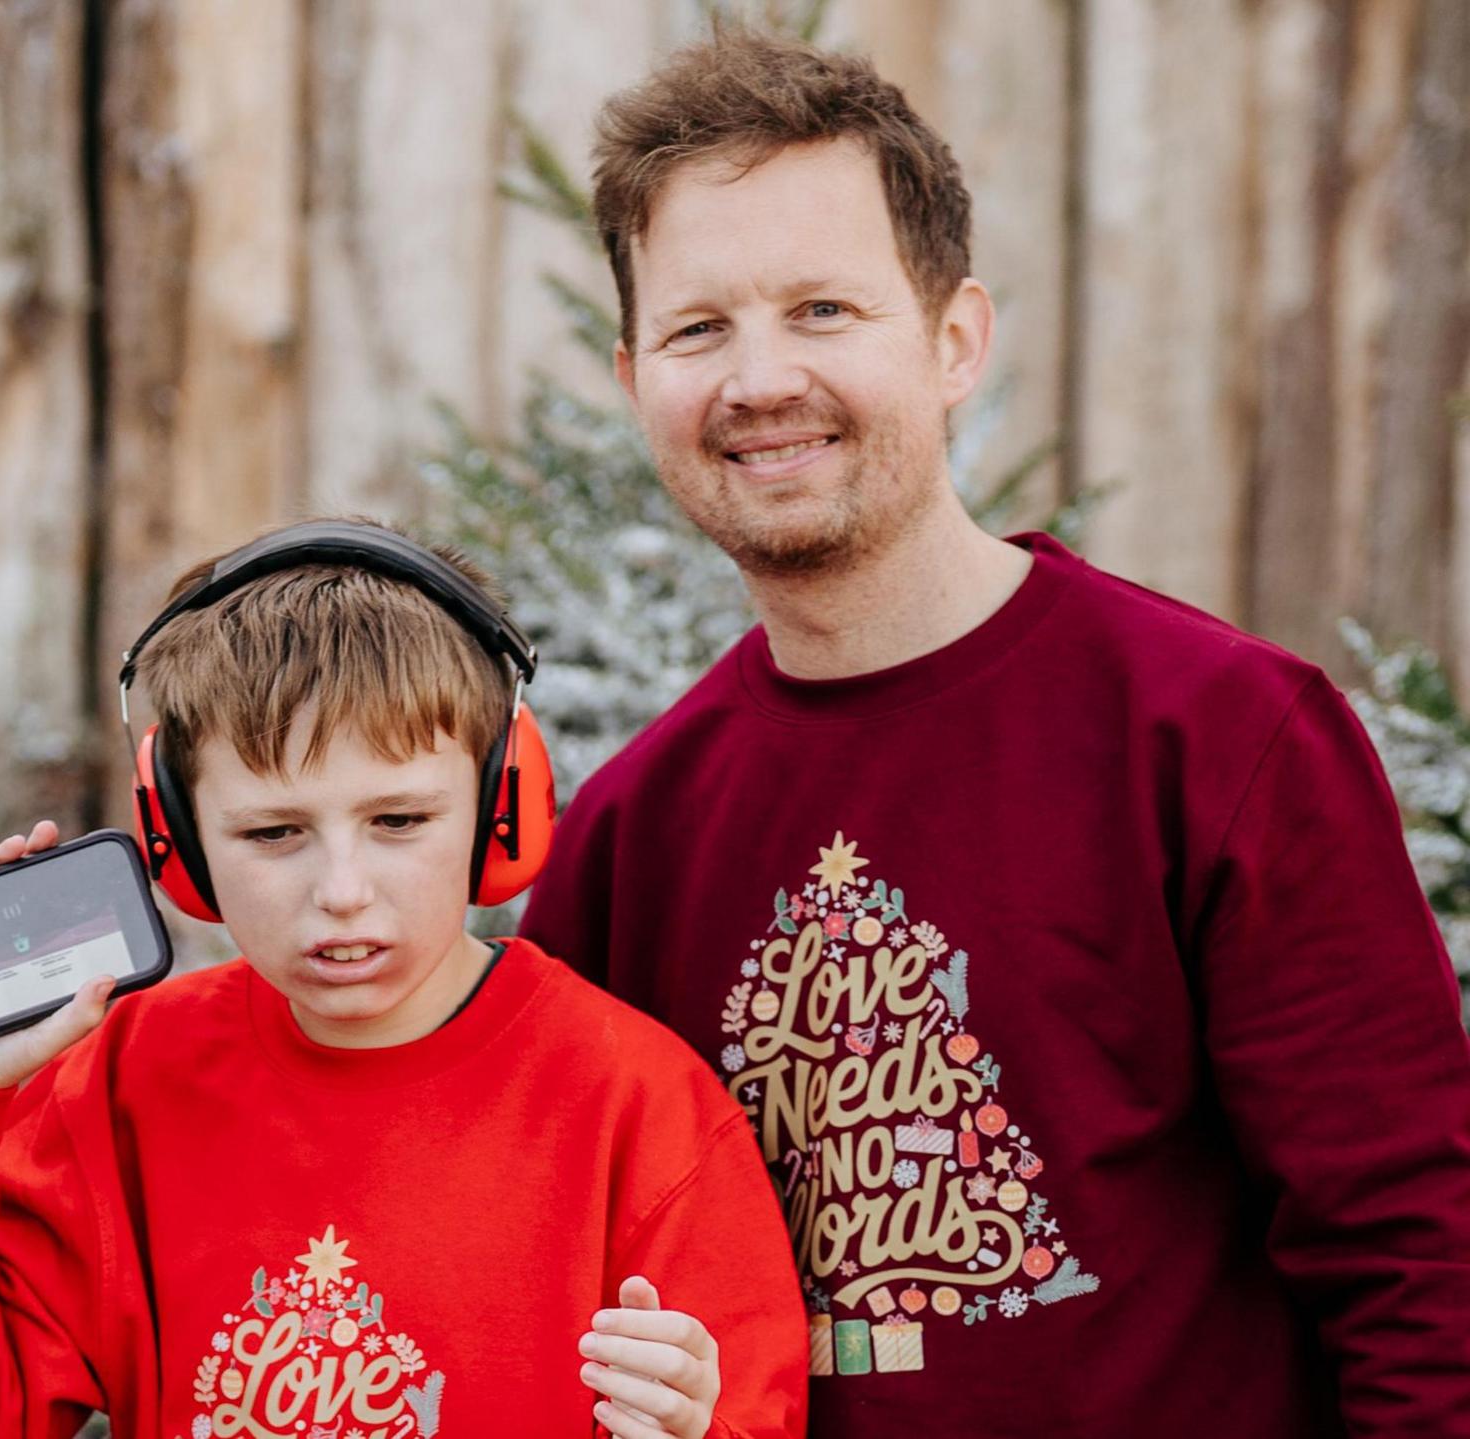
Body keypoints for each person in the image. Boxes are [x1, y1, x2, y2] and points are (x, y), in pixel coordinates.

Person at [518, 29, 1470, 1436]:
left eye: (824, 310)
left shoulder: (1216, 737)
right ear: (633, 374)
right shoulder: (632, 834)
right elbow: (487, 1222)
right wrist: (75, 1078)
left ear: (955, 340)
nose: (759, 378)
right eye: (699, 327)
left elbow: (1420, 1266)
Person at [0, 518, 810, 1439]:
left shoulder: (640, 1107)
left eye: (399, 819)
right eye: (274, 833)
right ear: (179, 844)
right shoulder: (121, 1084)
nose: (342, 891)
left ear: (503, 805)